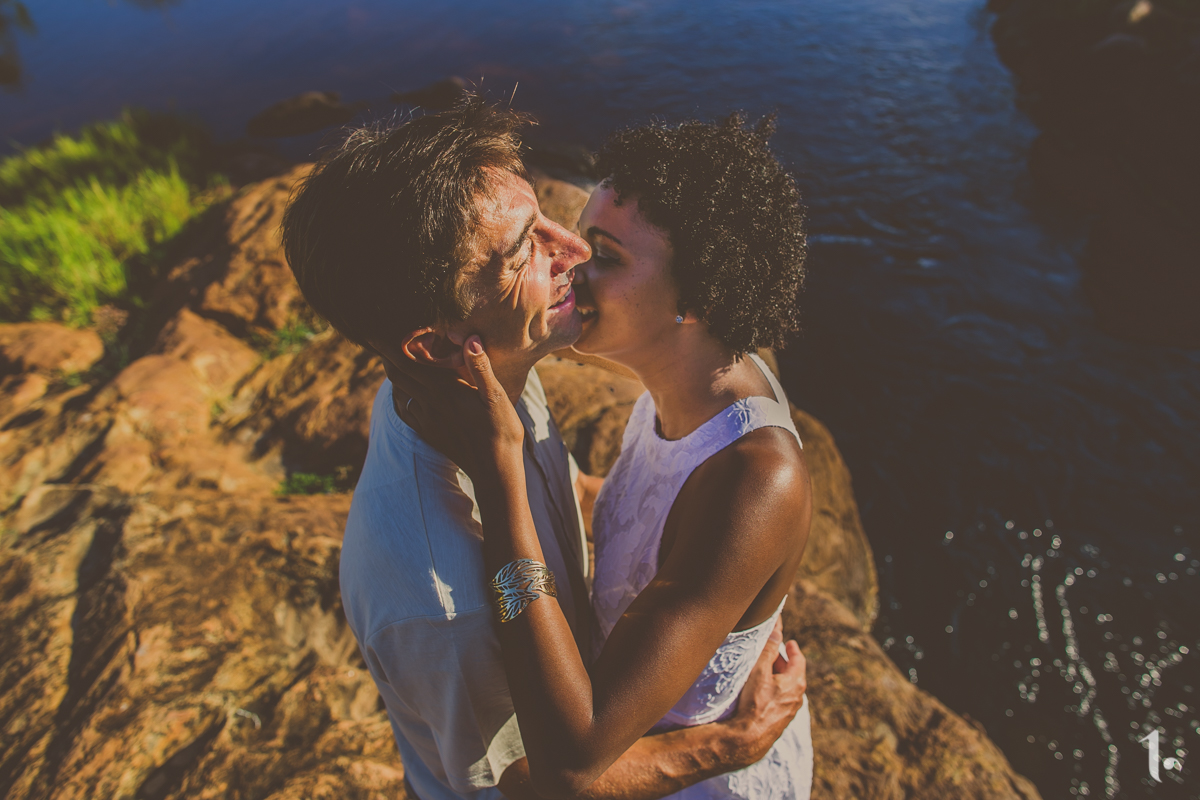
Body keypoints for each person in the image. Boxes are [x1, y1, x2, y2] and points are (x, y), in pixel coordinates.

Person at [280, 99, 808, 800]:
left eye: (604, 248)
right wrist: (729, 743)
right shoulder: (446, 610)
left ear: (698, 302)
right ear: (436, 345)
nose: (575, 252)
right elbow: (541, 781)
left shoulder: (492, 373)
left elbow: (628, 503)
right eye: (527, 246)